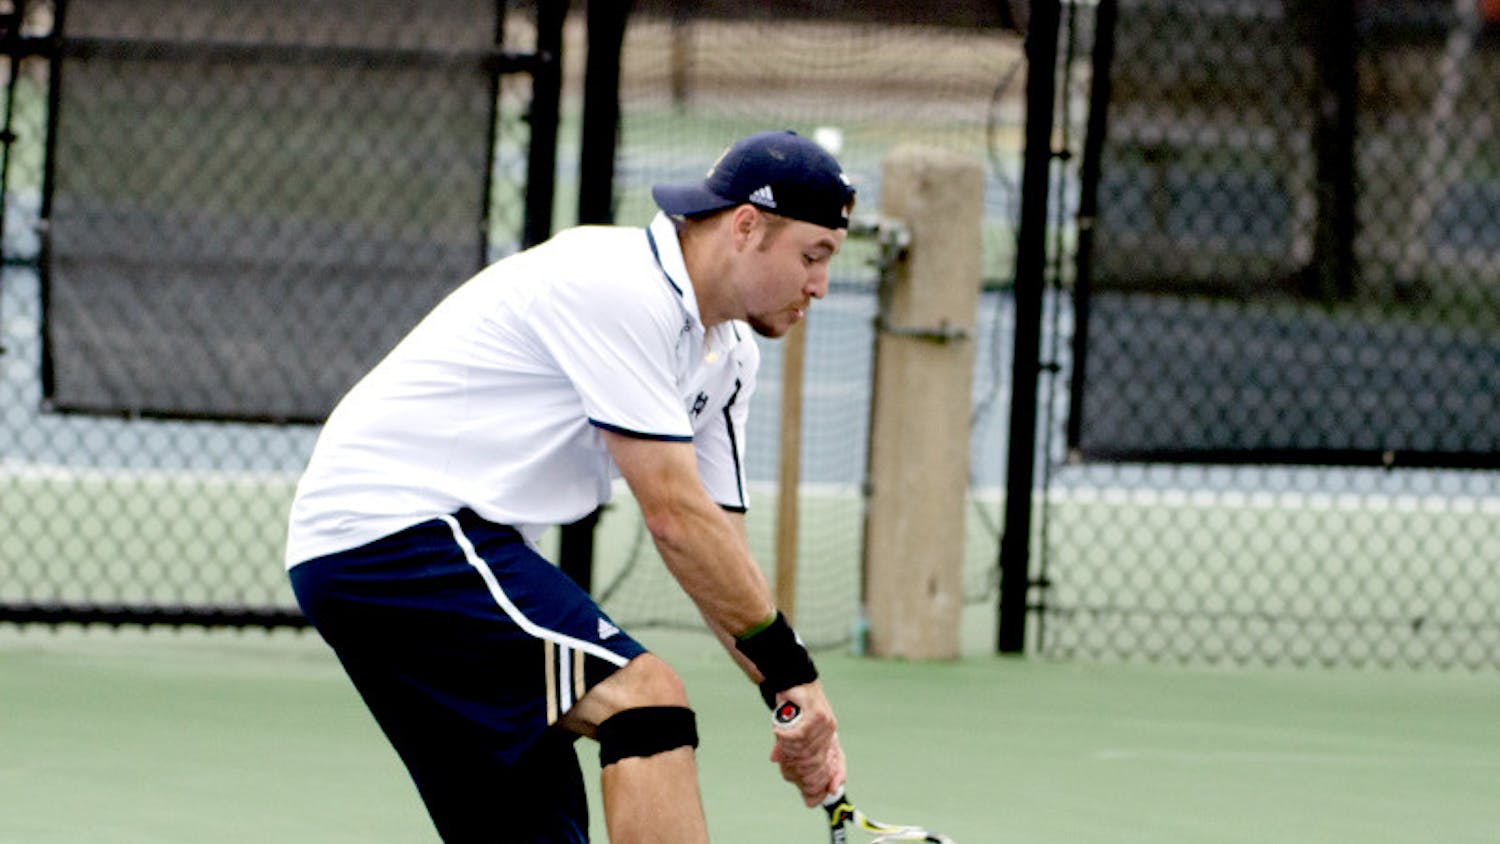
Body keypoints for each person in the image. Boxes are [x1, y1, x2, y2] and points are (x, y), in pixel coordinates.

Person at [285, 129, 856, 842]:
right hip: (394, 533)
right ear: (746, 227)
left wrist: (791, 702)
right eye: (813, 256)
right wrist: (796, 675)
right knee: (644, 702)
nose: (820, 286)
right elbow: (676, 517)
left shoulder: (730, 354)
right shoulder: (617, 283)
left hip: (420, 551)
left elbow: (721, 553)